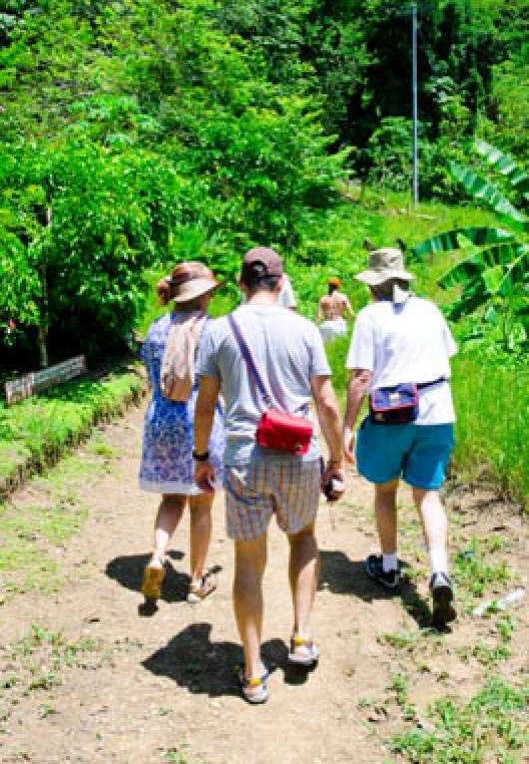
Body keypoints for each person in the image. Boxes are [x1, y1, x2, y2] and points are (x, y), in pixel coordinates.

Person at [193, 247, 344, 704]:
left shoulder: (219, 330)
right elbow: (328, 403)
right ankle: (300, 638)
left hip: (244, 458)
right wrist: (336, 460)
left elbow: (205, 405)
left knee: (248, 560)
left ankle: (254, 671)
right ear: (281, 284)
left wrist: (202, 456)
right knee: (303, 538)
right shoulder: (303, 328)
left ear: (241, 284)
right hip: (298, 456)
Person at [343, 248, 457, 627]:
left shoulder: (370, 316)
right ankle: (439, 571)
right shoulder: (431, 311)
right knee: (428, 493)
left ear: (374, 284)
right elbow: (446, 357)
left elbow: (360, 378)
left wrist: (346, 426)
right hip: (438, 410)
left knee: (386, 490)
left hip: (393, 413)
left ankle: (389, 566)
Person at [139, 262, 225, 605]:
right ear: (202, 295)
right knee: (201, 505)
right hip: (198, 421)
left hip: (161, 420)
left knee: (171, 498)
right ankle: (196, 581)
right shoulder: (212, 330)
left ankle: (158, 556)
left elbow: (149, 375)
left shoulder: (156, 328)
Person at [316, 277, 353, 343]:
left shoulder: (323, 299)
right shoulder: (343, 297)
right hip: (339, 324)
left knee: (326, 349)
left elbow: (318, 318)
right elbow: (351, 313)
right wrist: (346, 322)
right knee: (338, 348)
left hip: (327, 325)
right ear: (338, 287)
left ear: (328, 286)